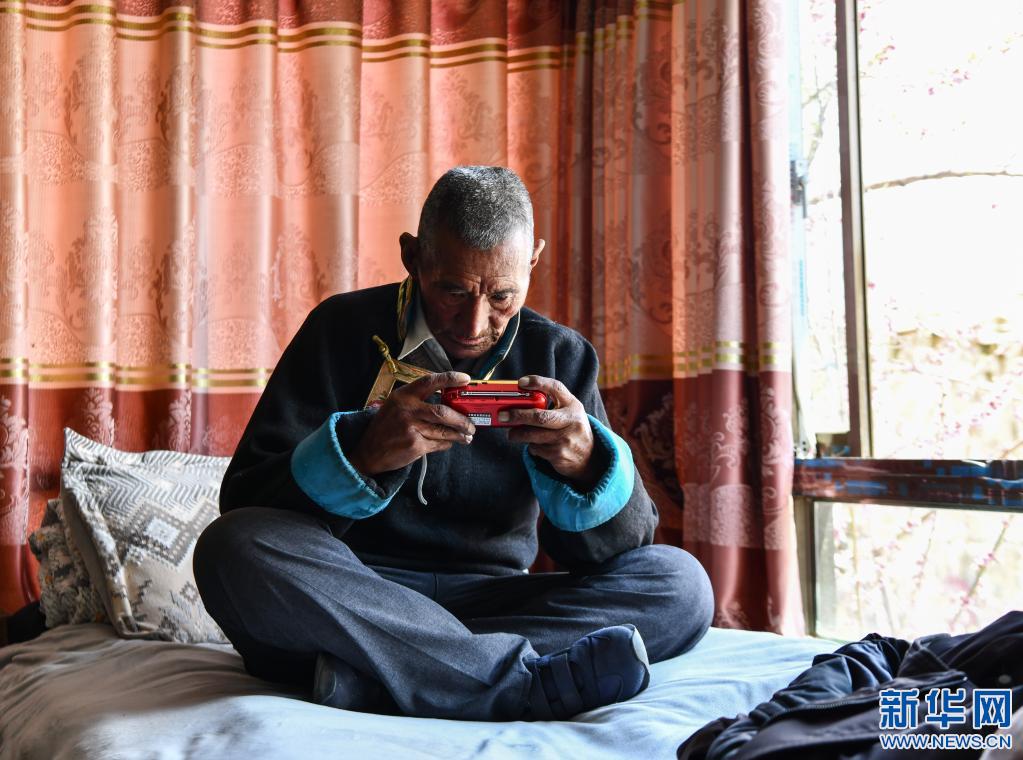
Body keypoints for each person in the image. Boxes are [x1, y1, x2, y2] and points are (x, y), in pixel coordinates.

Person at [193, 166, 714, 722]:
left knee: (679, 585)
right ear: (413, 256)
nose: (473, 323)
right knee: (231, 546)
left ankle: (387, 679)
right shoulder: (337, 330)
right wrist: (362, 452)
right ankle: (512, 682)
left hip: (488, 602)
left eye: (502, 296)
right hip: (354, 594)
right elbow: (246, 501)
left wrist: (585, 464)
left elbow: (620, 550)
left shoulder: (560, 355)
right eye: (452, 291)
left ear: (532, 262)